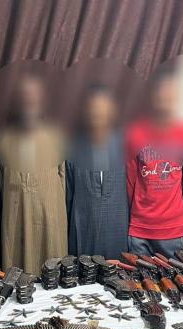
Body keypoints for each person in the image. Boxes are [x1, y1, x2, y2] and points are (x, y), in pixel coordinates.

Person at [0, 74, 67, 274]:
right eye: (25, 97)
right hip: (16, 217)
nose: (30, 101)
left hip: (49, 219)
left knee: (52, 271)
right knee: (16, 276)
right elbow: (0, 182)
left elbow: (63, 179)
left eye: (35, 96)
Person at [125, 71, 183, 258]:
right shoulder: (136, 133)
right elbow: (130, 182)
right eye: (160, 94)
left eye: (169, 95)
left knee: (175, 277)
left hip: (173, 230)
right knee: (138, 278)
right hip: (140, 230)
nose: (165, 100)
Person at [66, 85, 128, 258]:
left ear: (112, 111)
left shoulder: (125, 147)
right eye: (93, 108)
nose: (97, 114)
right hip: (83, 233)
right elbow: (68, 196)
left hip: (118, 233)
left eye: (102, 108)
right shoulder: (73, 149)